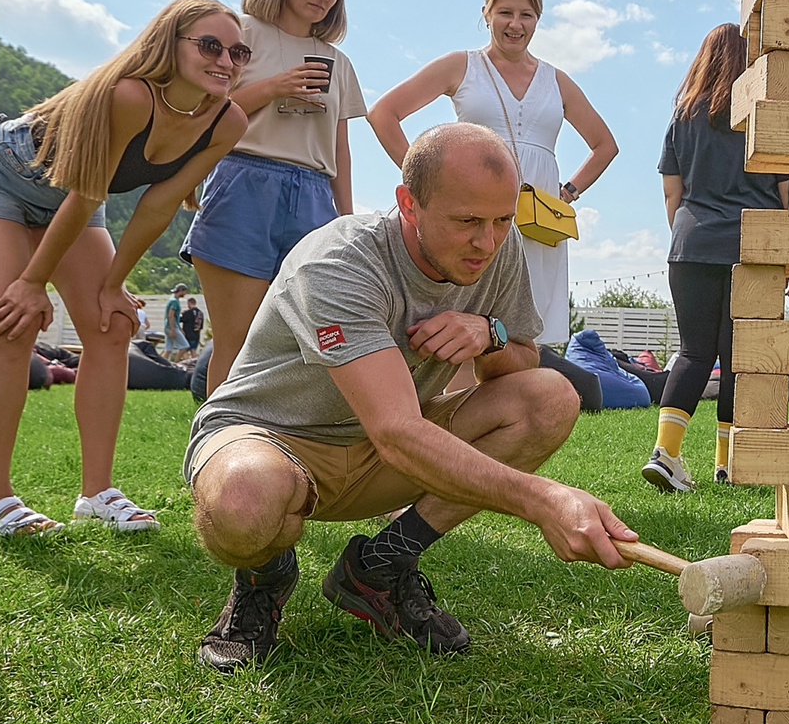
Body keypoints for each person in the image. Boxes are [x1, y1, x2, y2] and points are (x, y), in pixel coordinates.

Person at [186, 123, 639, 671]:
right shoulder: (339, 261)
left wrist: (486, 332)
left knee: (551, 397)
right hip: (277, 440)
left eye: (501, 220)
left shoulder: (498, 247)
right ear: (408, 203)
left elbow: (518, 359)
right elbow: (396, 430)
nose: (487, 242)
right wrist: (544, 500)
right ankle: (262, 577)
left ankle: (379, 568)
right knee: (242, 503)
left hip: (384, 451)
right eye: (467, 221)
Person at [0, 0, 248, 537]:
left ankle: (96, 492)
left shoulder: (227, 119)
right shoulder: (129, 95)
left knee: (115, 324)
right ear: (169, 44)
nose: (225, 60)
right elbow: (84, 196)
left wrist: (113, 286)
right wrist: (32, 283)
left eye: (237, 51)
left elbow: (157, 204)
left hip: (77, 197)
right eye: (209, 45)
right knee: (15, 324)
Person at [367, 0, 618, 363]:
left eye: (526, 15)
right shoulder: (461, 66)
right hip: (470, 210)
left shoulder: (557, 81)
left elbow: (605, 145)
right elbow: (384, 113)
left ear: (538, 19)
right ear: (486, 13)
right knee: (464, 305)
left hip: (536, 220)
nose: (515, 24)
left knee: (524, 330)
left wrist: (566, 194)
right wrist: (426, 181)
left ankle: (513, 409)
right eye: (505, 12)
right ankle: (452, 408)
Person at [184, 0, 363, 397]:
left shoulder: (337, 63)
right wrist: (274, 87)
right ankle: (217, 447)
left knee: (304, 343)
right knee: (237, 339)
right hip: (244, 180)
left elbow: (339, 149)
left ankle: (284, 447)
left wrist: (344, 219)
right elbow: (204, 113)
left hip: (313, 195)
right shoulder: (239, 36)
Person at [644, 24, 789, 492]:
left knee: (692, 352)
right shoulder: (762, 118)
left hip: (690, 245)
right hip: (753, 247)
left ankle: (666, 454)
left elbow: (672, 193)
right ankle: (728, 464)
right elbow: (786, 191)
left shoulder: (681, 119)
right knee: (738, 360)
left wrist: (690, 239)